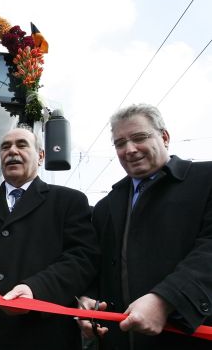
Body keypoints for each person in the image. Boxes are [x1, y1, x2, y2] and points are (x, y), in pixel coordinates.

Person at [79, 103, 212, 350]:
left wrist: (166, 299)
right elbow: (94, 264)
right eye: (120, 143)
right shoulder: (106, 206)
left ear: (164, 136)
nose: (129, 149)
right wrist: (88, 300)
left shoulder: (206, 179)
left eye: (139, 137)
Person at [0, 125, 99, 349]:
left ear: (41, 156)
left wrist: (36, 289)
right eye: (5, 147)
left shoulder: (69, 202)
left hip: (44, 335)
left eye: (21, 145)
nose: (12, 151)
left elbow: (82, 258)